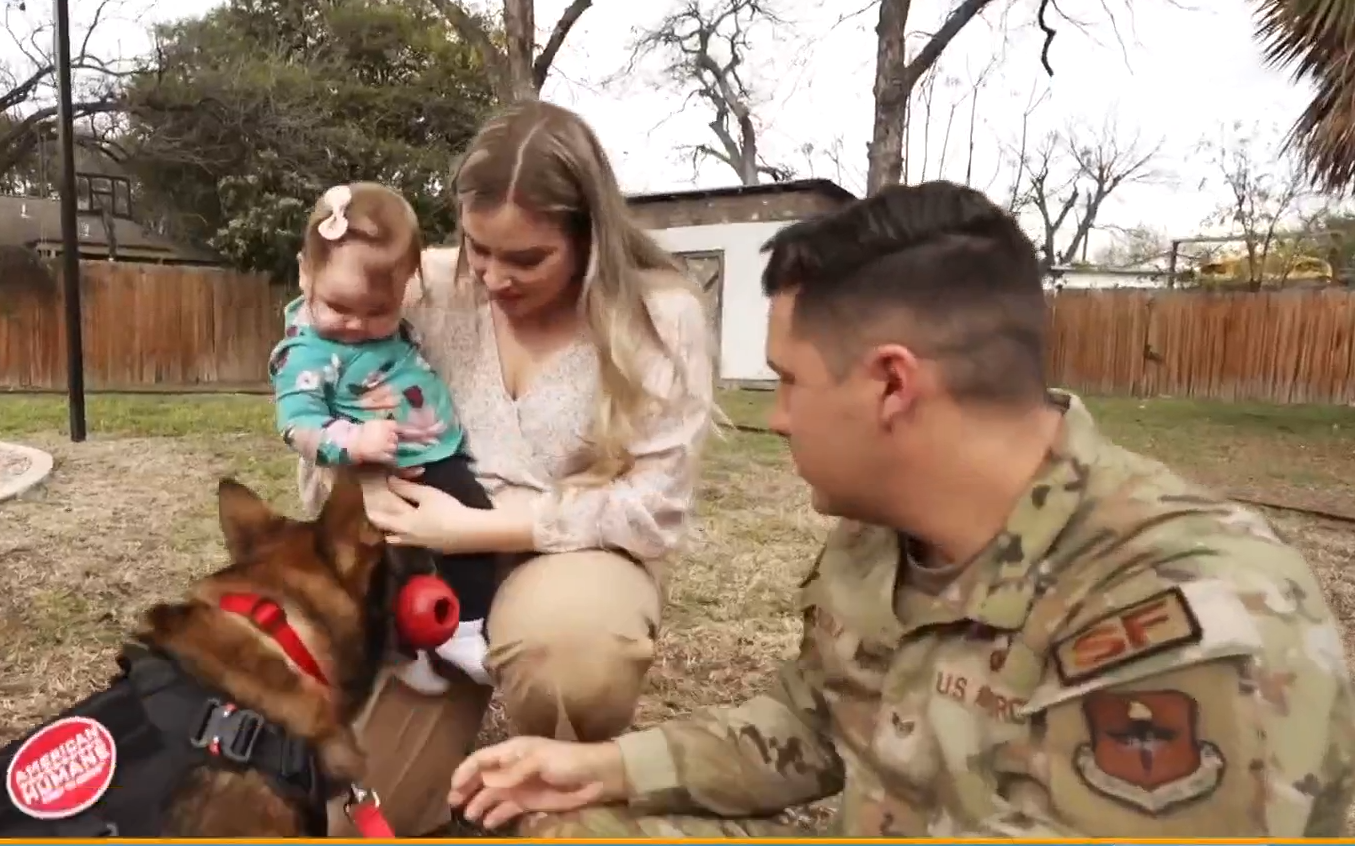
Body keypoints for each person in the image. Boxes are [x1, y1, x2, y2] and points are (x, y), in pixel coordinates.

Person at [442, 180, 1355, 838]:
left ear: (889, 385)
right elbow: (813, 719)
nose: (781, 418)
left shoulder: (1192, 622)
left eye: (791, 381)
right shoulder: (880, 538)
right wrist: (601, 767)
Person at [294, 101, 717, 836]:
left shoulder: (659, 316)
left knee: (571, 652)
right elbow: (317, 325)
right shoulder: (426, 286)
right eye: (477, 247)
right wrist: (353, 458)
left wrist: (480, 527)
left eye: (526, 259)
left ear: (589, 234)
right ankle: (437, 691)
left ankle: (564, 786)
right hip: (430, 563)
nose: (492, 276)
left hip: (574, 556)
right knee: (339, 816)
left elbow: (656, 504)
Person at [269, 181, 499, 685]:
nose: (356, 324)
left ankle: (419, 645)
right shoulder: (305, 353)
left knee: (443, 549)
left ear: (406, 290)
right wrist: (350, 442)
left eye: (379, 311)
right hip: (388, 469)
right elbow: (295, 422)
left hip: (434, 449)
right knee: (404, 560)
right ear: (305, 273)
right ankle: (456, 633)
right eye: (339, 307)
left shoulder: (380, 309)